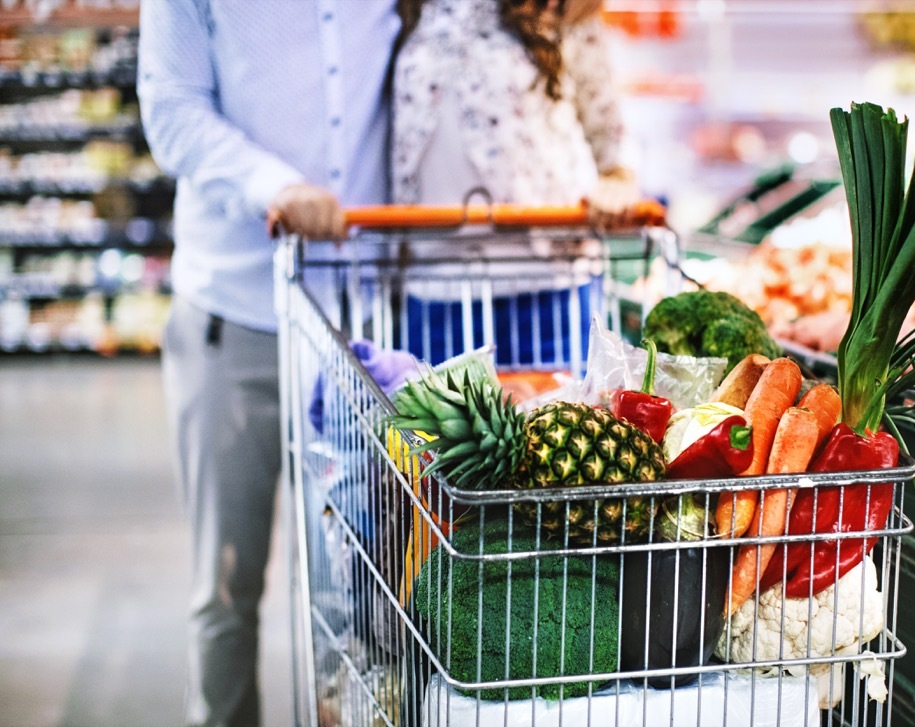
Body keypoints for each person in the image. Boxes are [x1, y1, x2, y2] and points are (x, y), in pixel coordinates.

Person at [136, 3, 400, 725]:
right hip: (234, 317)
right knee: (225, 591)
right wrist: (272, 184)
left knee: (365, 596)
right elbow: (170, 106)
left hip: (362, 335)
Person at [389, 0, 640, 367]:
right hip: (436, 291)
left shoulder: (559, 8)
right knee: (428, 427)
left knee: (561, 417)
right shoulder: (409, 8)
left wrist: (618, 179)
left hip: (550, 289)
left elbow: (608, 127)